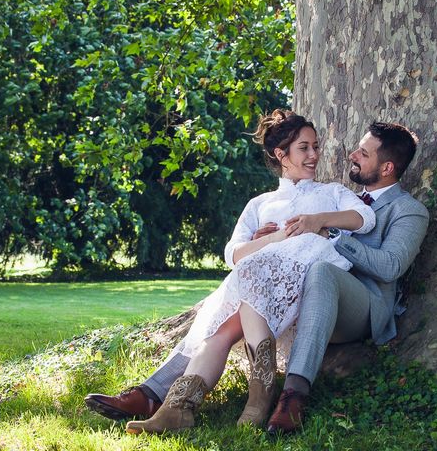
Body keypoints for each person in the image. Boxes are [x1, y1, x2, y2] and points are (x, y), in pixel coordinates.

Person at [84, 109, 376, 434]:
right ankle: (180, 408)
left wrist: (318, 220)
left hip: (302, 284)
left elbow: (365, 218)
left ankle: (235, 401)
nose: (314, 155)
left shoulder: (331, 193)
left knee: (235, 303)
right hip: (255, 286)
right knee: (220, 328)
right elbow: (233, 255)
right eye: (304, 148)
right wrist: (274, 238)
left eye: (315, 146)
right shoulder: (260, 204)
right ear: (281, 155)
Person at [264, 121, 429, 434]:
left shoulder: (408, 210)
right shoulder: (342, 198)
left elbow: (391, 266)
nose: (352, 155)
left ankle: (293, 395)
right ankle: (175, 387)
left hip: (366, 306)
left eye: (363, 153)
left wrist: (335, 232)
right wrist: (271, 237)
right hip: (315, 294)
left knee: (323, 271)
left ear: (387, 167)